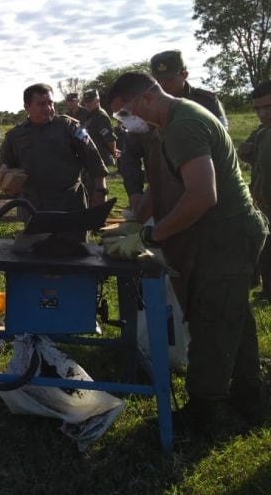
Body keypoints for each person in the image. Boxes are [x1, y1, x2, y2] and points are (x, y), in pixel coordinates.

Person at [107, 71, 268, 433]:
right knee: (233, 318)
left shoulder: (185, 125)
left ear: (147, 97)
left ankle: (206, 412)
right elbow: (163, 184)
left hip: (225, 235)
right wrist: (135, 219)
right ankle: (250, 398)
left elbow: (201, 196)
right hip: (217, 234)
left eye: (124, 113)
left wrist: (151, 237)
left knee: (211, 322)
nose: (125, 124)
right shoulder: (167, 126)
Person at [119, 49, 229, 212]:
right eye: (157, 81)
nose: (163, 85)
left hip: (209, 191)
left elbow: (220, 145)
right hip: (164, 194)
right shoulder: (144, 107)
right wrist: (135, 192)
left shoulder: (205, 102)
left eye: (169, 79)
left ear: (184, 74)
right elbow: (130, 154)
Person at [0, 83, 108, 217]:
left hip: (70, 204)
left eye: (50, 103)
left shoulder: (70, 127)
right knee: (37, 238)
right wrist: (9, 186)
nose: (48, 108)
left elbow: (94, 159)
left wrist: (101, 191)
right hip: (33, 207)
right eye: (41, 104)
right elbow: (6, 166)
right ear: (27, 107)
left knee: (74, 237)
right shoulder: (15, 136)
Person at [245, 80, 271, 298]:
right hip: (264, 204)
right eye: (258, 108)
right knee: (266, 250)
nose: (263, 113)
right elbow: (243, 152)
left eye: (269, 107)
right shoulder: (262, 132)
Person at [81, 89, 119, 169]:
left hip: (100, 157)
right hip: (93, 156)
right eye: (86, 101)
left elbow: (109, 138)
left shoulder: (100, 116)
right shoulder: (91, 114)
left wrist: (113, 151)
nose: (87, 104)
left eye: (90, 101)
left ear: (98, 100)